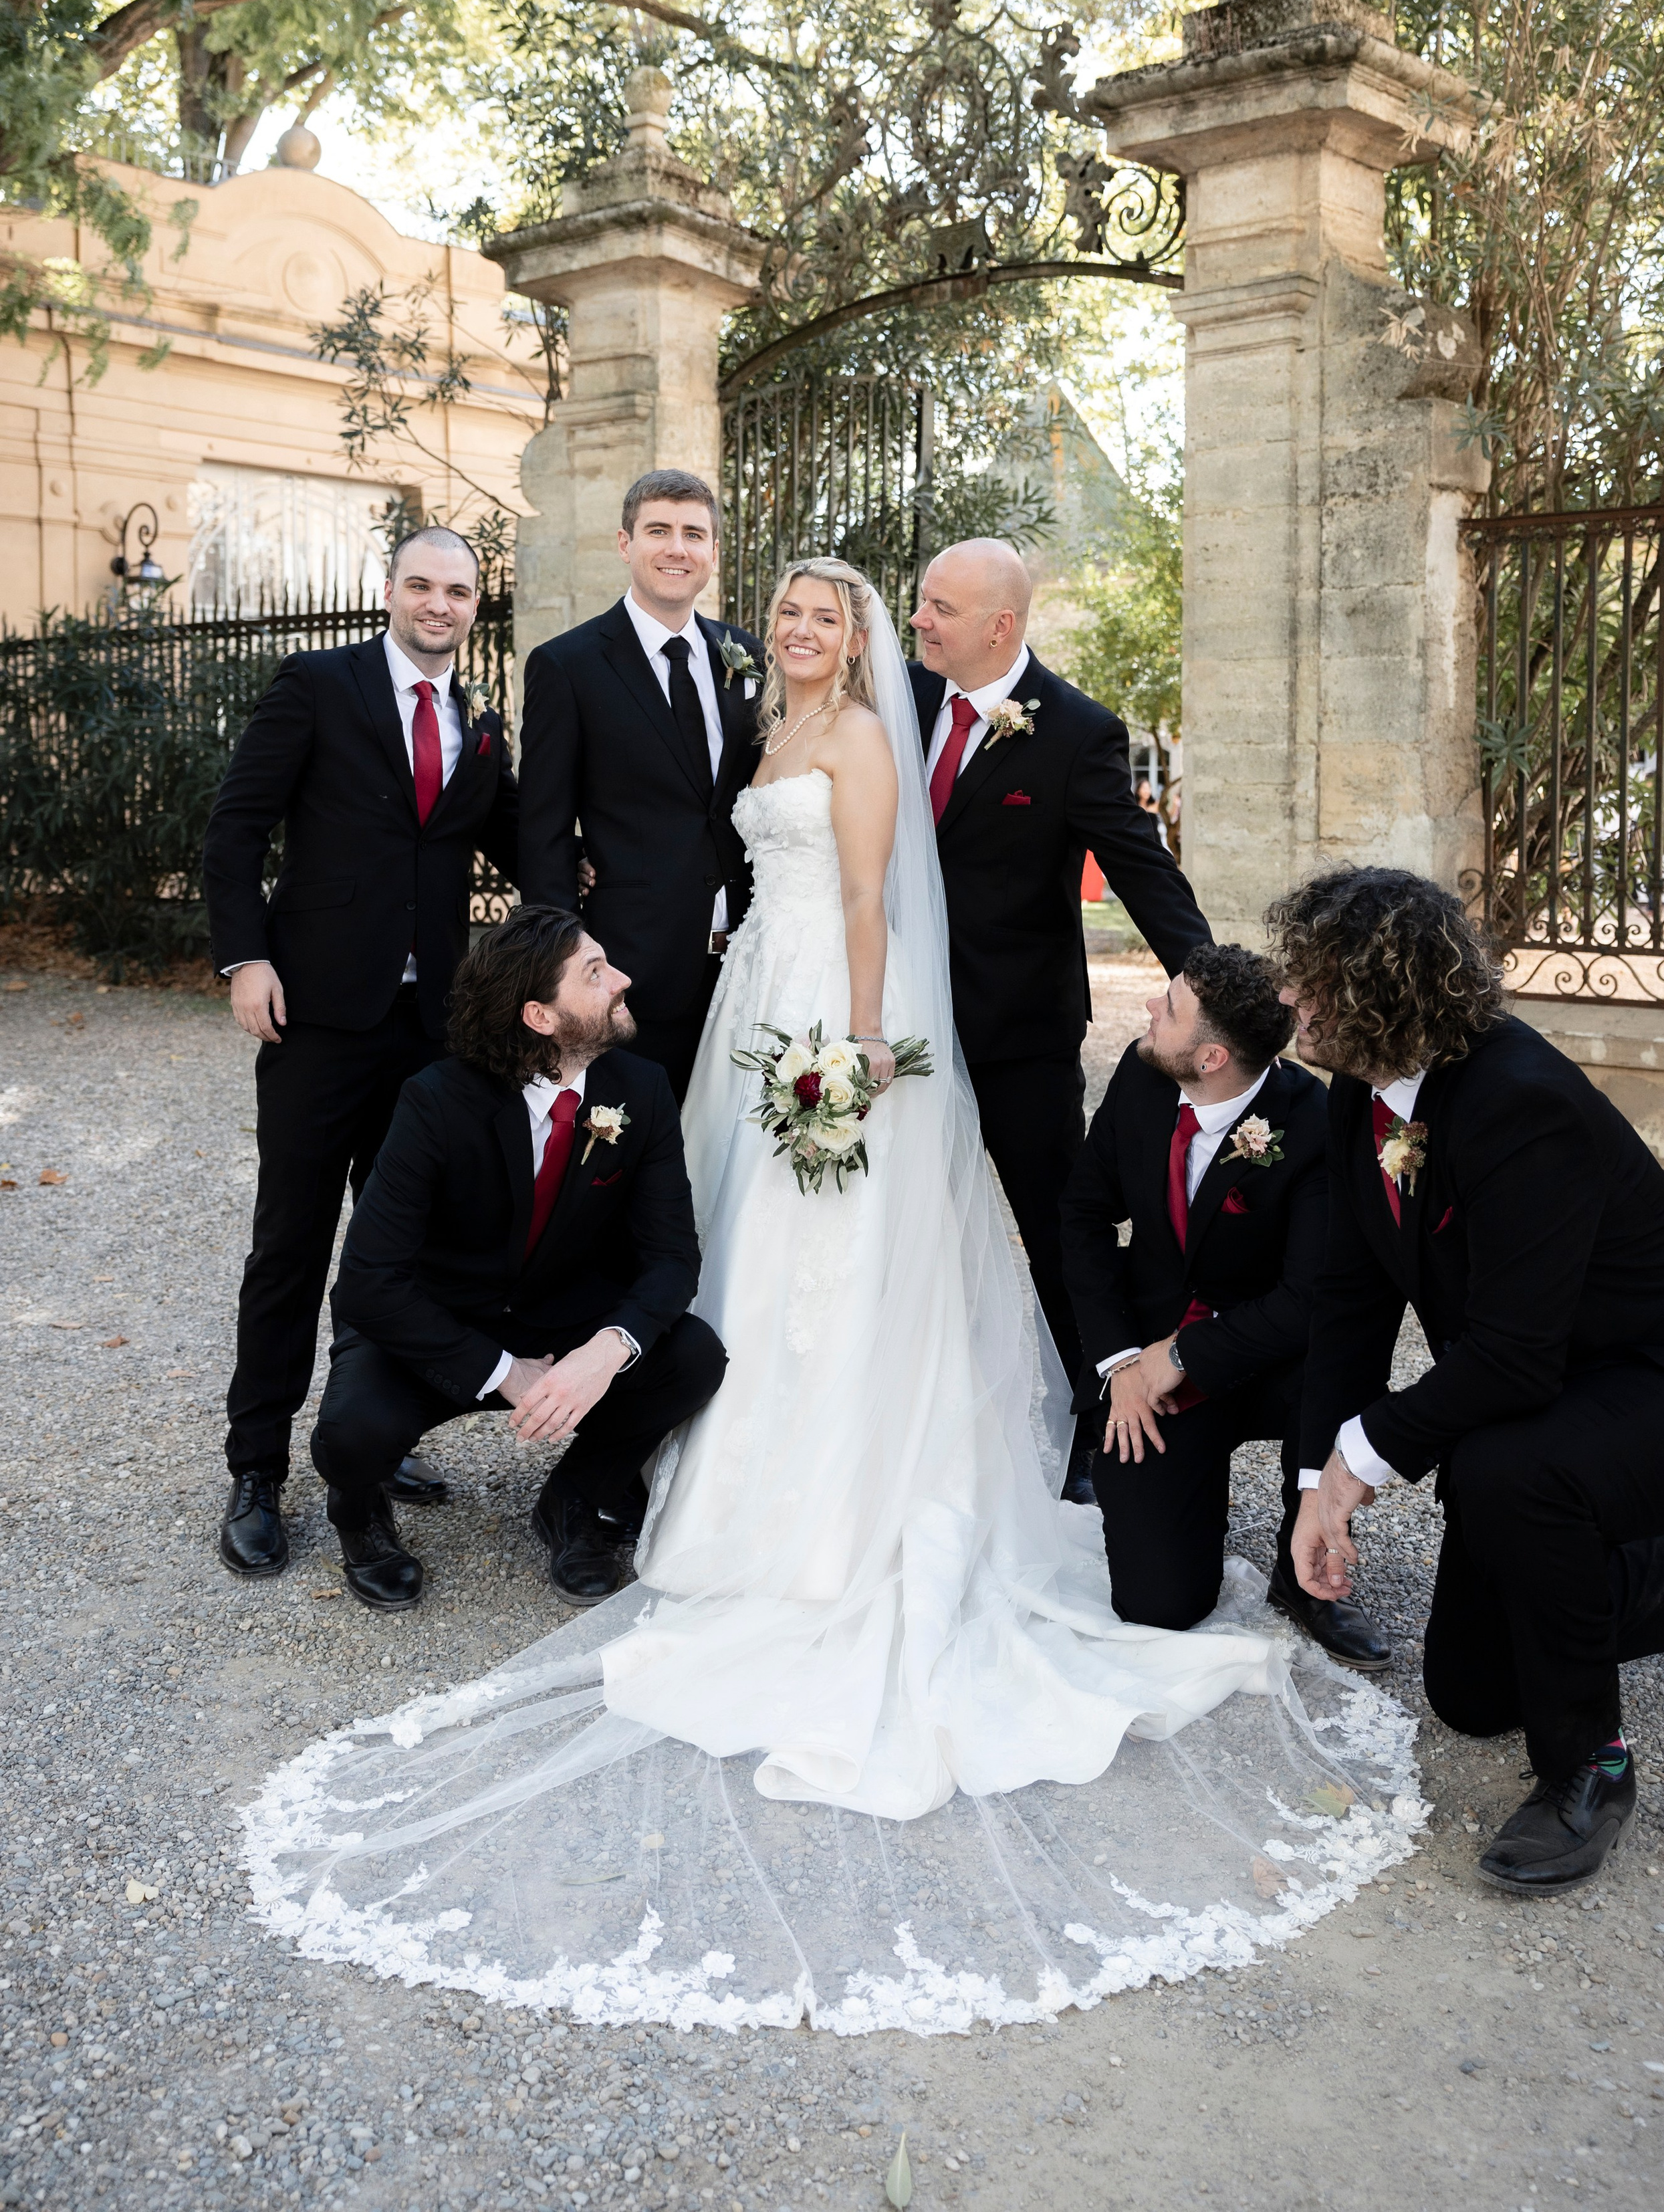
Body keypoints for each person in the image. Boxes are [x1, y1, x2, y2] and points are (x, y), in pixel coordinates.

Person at [244, 566, 1423, 2031]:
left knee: (847, 1245)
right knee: (725, 1233)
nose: (810, 633)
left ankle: (842, 1471)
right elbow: (739, 862)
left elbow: (871, 891)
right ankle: (668, 1447)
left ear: (868, 635)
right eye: (791, 616)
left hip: (844, 1015)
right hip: (754, 994)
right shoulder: (766, 728)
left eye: (829, 618)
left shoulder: (880, 736)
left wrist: (866, 1047)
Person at [1278, 864, 1664, 1894]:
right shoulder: (1358, 1096)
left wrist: (1360, 1464)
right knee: (1471, 1693)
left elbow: (1514, 1356)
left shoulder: (1525, 1102)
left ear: (1384, 991)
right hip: (1555, 1380)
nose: (1288, 997)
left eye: (1311, 979)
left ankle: (1590, 1768)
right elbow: (1348, 1302)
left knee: (1510, 1473)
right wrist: (1311, 1488)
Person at [202, 526, 518, 1580]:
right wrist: (245, 959)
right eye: (422, 586)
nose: (439, 604)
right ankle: (256, 1471)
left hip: (431, 1034)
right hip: (316, 1019)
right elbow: (236, 828)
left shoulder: (478, 719)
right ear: (391, 591)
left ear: (478, 606)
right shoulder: (317, 686)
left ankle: (366, 1451)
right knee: (289, 1248)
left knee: (398, 1259)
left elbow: (516, 837)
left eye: (459, 591)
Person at [905, 538, 1211, 1501]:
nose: (919, 621)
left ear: (1000, 627)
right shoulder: (901, 701)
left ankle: (1091, 1419)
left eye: (941, 609)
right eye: (921, 603)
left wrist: (1212, 992)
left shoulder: (1078, 732)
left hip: (1017, 1033)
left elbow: (1141, 869)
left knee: (1056, 1225)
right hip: (898, 1031)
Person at [309, 905, 726, 1608]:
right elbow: (366, 1285)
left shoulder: (641, 1089)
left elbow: (672, 1256)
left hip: (565, 1314)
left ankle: (572, 1500)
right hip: (440, 1322)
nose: (622, 980)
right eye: (595, 974)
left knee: (693, 1359)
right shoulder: (435, 1101)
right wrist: (501, 1371)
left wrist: (605, 1351)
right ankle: (359, 1514)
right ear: (540, 1016)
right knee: (351, 1438)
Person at [1060, 943, 1390, 1670]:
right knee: (1159, 1606)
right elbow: (1083, 1218)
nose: (1150, 1008)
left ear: (1212, 1057)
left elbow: (1310, 1298)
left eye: (1169, 1006)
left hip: (1262, 1358)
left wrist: (1180, 1357)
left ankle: (1302, 1566)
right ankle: (1177, 1487)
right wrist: (1122, 1364)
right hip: (1143, 1355)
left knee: (1334, 1360)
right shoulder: (1143, 1074)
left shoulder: (1311, 1120)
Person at [515, 468, 762, 1100]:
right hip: (629, 970)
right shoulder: (566, 666)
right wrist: (564, 971)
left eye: (693, 534)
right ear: (626, 544)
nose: (676, 548)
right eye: (658, 531)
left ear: (712, 552)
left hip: (749, 965)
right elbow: (542, 830)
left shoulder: (748, 656)